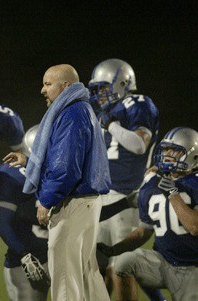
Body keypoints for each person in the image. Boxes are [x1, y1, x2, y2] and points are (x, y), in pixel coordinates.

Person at [22, 64, 111, 301]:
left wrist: (45, 200)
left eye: (48, 84)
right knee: (87, 273)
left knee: (64, 275)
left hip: (74, 202)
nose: (42, 90)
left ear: (66, 86)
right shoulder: (83, 109)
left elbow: (64, 169)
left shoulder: (71, 113)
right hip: (88, 202)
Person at [89, 58, 162, 299]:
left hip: (127, 197)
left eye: (103, 87)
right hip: (101, 195)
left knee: (122, 269)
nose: (99, 94)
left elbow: (139, 145)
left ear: (121, 83)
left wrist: (110, 126)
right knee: (97, 269)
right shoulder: (104, 112)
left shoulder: (137, 103)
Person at [98, 127, 198, 301]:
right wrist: (114, 250)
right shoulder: (153, 185)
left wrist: (173, 193)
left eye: (173, 151)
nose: (166, 155)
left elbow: (194, 226)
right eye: (165, 150)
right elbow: (144, 231)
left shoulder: (194, 184)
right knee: (124, 262)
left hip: (192, 267)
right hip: (162, 262)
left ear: (192, 154)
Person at [0, 124, 50, 301]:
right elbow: (3, 223)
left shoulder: (67, 174)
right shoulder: (13, 175)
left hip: (60, 255)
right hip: (29, 259)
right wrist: (24, 255)